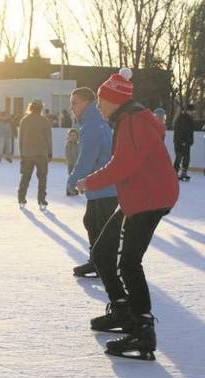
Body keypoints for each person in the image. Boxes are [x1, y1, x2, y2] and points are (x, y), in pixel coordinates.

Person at [76, 68, 179, 361]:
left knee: (129, 263)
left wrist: (90, 180)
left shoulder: (132, 121)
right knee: (102, 252)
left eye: (101, 100)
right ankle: (122, 311)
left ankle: (143, 331)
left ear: (115, 100)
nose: (98, 105)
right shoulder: (127, 119)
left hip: (150, 197)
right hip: (139, 195)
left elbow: (124, 164)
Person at [66, 87, 119, 278]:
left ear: (87, 103)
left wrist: (72, 180)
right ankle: (99, 262)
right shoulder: (97, 123)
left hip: (106, 186)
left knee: (102, 225)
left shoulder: (91, 126)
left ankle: (107, 265)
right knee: (92, 222)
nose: (71, 108)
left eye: (75, 103)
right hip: (101, 186)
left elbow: (87, 158)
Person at [17, 100, 52, 209]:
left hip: (27, 153)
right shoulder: (44, 121)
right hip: (41, 153)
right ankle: (41, 200)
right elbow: (48, 138)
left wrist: (22, 152)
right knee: (42, 177)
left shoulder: (24, 120)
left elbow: (20, 139)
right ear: (41, 108)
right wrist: (50, 152)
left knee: (25, 176)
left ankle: (21, 197)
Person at [172, 103, 195, 181]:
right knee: (179, 157)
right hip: (180, 142)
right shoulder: (183, 118)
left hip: (186, 143)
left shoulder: (189, 119)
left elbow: (190, 132)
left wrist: (190, 142)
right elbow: (180, 131)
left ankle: (183, 173)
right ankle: (175, 173)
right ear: (188, 110)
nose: (193, 112)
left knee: (186, 158)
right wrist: (183, 141)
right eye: (191, 111)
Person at [65, 128, 79, 196]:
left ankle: (72, 189)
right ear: (68, 136)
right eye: (71, 135)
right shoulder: (68, 145)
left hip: (77, 163)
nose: (72, 137)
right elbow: (68, 155)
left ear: (77, 136)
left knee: (75, 177)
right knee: (71, 177)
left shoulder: (78, 144)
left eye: (74, 135)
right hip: (71, 164)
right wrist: (72, 163)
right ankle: (69, 190)